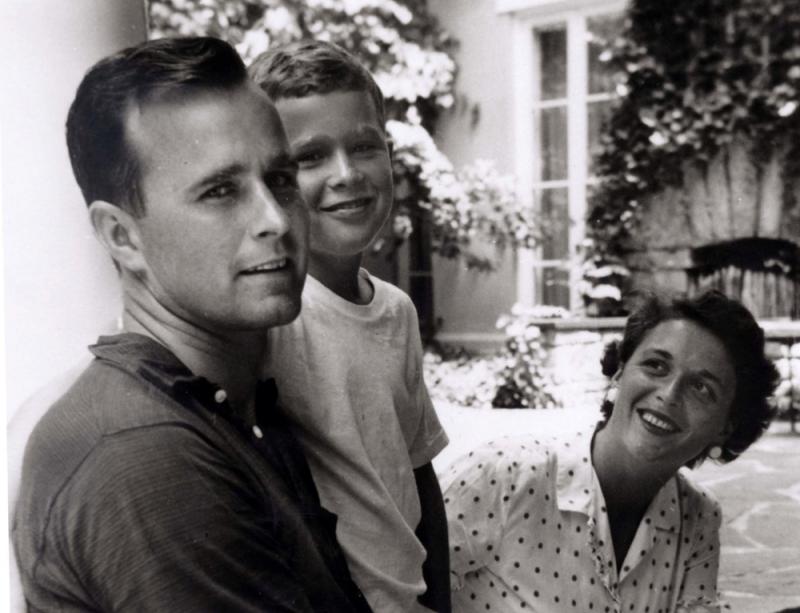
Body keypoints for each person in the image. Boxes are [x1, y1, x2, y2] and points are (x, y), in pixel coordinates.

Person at [12, 36, 371, 612]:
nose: (276, 220)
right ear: (122, 236)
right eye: (221, 191)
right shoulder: (142, 453)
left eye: (280, 179)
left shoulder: (232, 402)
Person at [249, 40, 451, 613]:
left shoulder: (397, 311)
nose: (346, 174)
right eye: (310, 156)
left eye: (365, 146)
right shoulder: (271, 317)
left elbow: (417, 471)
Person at [442, 290, 778, 612]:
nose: (669, 394)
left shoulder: (698, 517)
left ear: (727, 426)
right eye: (656, 365)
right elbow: (409, 586)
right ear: (619, 373)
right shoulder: (507, 476)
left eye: (702, 388)